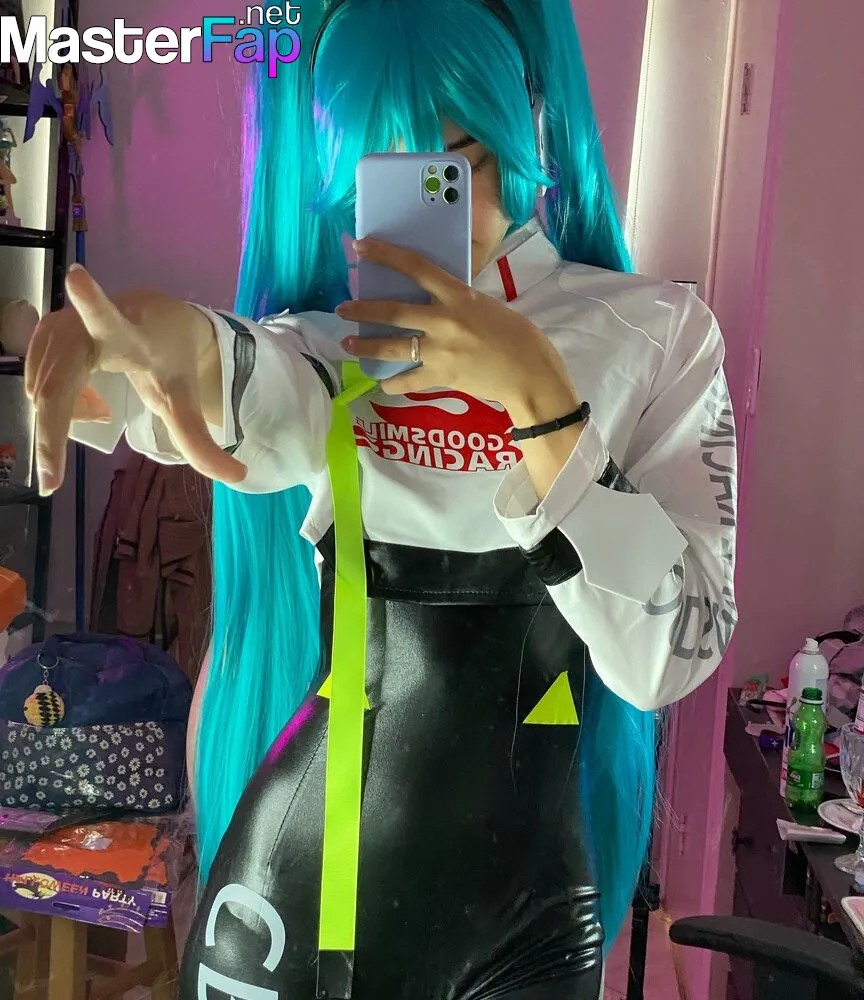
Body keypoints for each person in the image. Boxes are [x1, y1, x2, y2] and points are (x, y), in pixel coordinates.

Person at [25, 0, 739, 996]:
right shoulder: (339, 351)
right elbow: (253, 379)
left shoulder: (654, 336)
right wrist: (164, 342)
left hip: (533, 920)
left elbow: (674, 655)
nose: (433, 208)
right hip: (301, 890)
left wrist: (544, 408)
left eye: (462, 160)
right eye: (387, 181)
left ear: (529, 121)